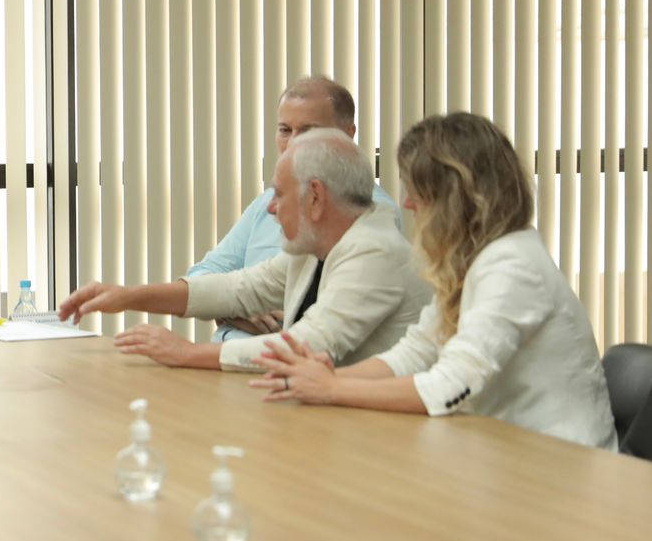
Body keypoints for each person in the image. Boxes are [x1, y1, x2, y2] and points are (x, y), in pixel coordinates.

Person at [250, 113, 615, 450]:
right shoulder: (474, 260)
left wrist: (332, 388)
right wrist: (326, 377)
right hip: (509, 453)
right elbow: (417, 353)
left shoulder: (512, 266)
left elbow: (451, 385)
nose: (407, 204)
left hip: (562, 464)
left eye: (418, 190)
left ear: (456, 196)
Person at [58, 131, 430, 372]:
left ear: (315, 197)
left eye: (279, 195)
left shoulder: (375, 250)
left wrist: (187, 354)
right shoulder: (317, 243)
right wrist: (127, 297)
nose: (270, 208)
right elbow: (239, 289)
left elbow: (308, 345)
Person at [189, 77, 400, 341]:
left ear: (347, 135)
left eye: (309, 131)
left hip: (275, 367)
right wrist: (237, 309)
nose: (293, 145)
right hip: (218, 362)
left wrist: (235, 302)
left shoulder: (369, 212)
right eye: (285, 130)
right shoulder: (265, 205)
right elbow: (203, 274)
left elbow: (321, 322)